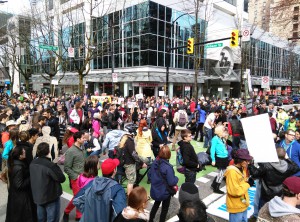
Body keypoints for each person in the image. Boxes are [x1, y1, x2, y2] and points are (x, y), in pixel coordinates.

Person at [248, 147, 299, 211]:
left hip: (266, 193)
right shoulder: (288, 166)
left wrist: (250, 164)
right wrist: (288, 158)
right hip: (280, 192)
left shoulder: (266, 165)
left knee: (263, 210)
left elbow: (254, 173)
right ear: (284, 155)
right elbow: (296, 167)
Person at [30, 142, 66, 222]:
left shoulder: (33, 163)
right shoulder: (50, 165)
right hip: (50, 196)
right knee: (52, 219)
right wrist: (55, 165)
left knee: (41, 218)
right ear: (48, 151)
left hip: (37, 195)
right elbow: (61, 178)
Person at [6, 146, 37, 222]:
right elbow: (19, 185)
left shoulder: (15, 163)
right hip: (20, 198)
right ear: (20, 156)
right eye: (23, 152)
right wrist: (31, 177)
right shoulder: (19, 167)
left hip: (16, 196)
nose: (25, 152)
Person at [148, 145, 179, 222]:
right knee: (164, 209)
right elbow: (171, 182)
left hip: (155, 190)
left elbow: (149, 175)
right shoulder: (167, 167)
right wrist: (176, 178)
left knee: (156, 205)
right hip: (165, 191)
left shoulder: (154, 162)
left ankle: (150, 219)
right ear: (168, 155)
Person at [224, 149, 254, 222]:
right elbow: (234, 191)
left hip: (242, 202)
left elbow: (241, 182)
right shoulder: (232, 172)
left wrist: (247, 180)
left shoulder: (242, 168)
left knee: (244, 219)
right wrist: (248, 184)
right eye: (246, 160)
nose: (248, 162)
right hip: (236, 205)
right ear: (241, 161)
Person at [63, 131, 86, 221]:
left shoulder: (82, 147)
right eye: (83, 138)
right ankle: (67, 211)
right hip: (76, 178)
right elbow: (66, 168)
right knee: (77, 197)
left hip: (84, 177)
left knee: (81, 197)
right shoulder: (70, 151)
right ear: (78, 139)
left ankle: (78, 215)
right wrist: (75, 177)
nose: (85, 139)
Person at [210, 125, 229, 194]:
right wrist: (213, 159)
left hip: (224, 157)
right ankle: (216, 188)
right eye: (223, 130)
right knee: (221, 173)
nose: (224, 131)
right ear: (220, 131)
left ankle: (214, 185)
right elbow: (212, 149)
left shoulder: (222, 139)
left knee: (222, 173)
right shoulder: (215, 139)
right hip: (220, 158)